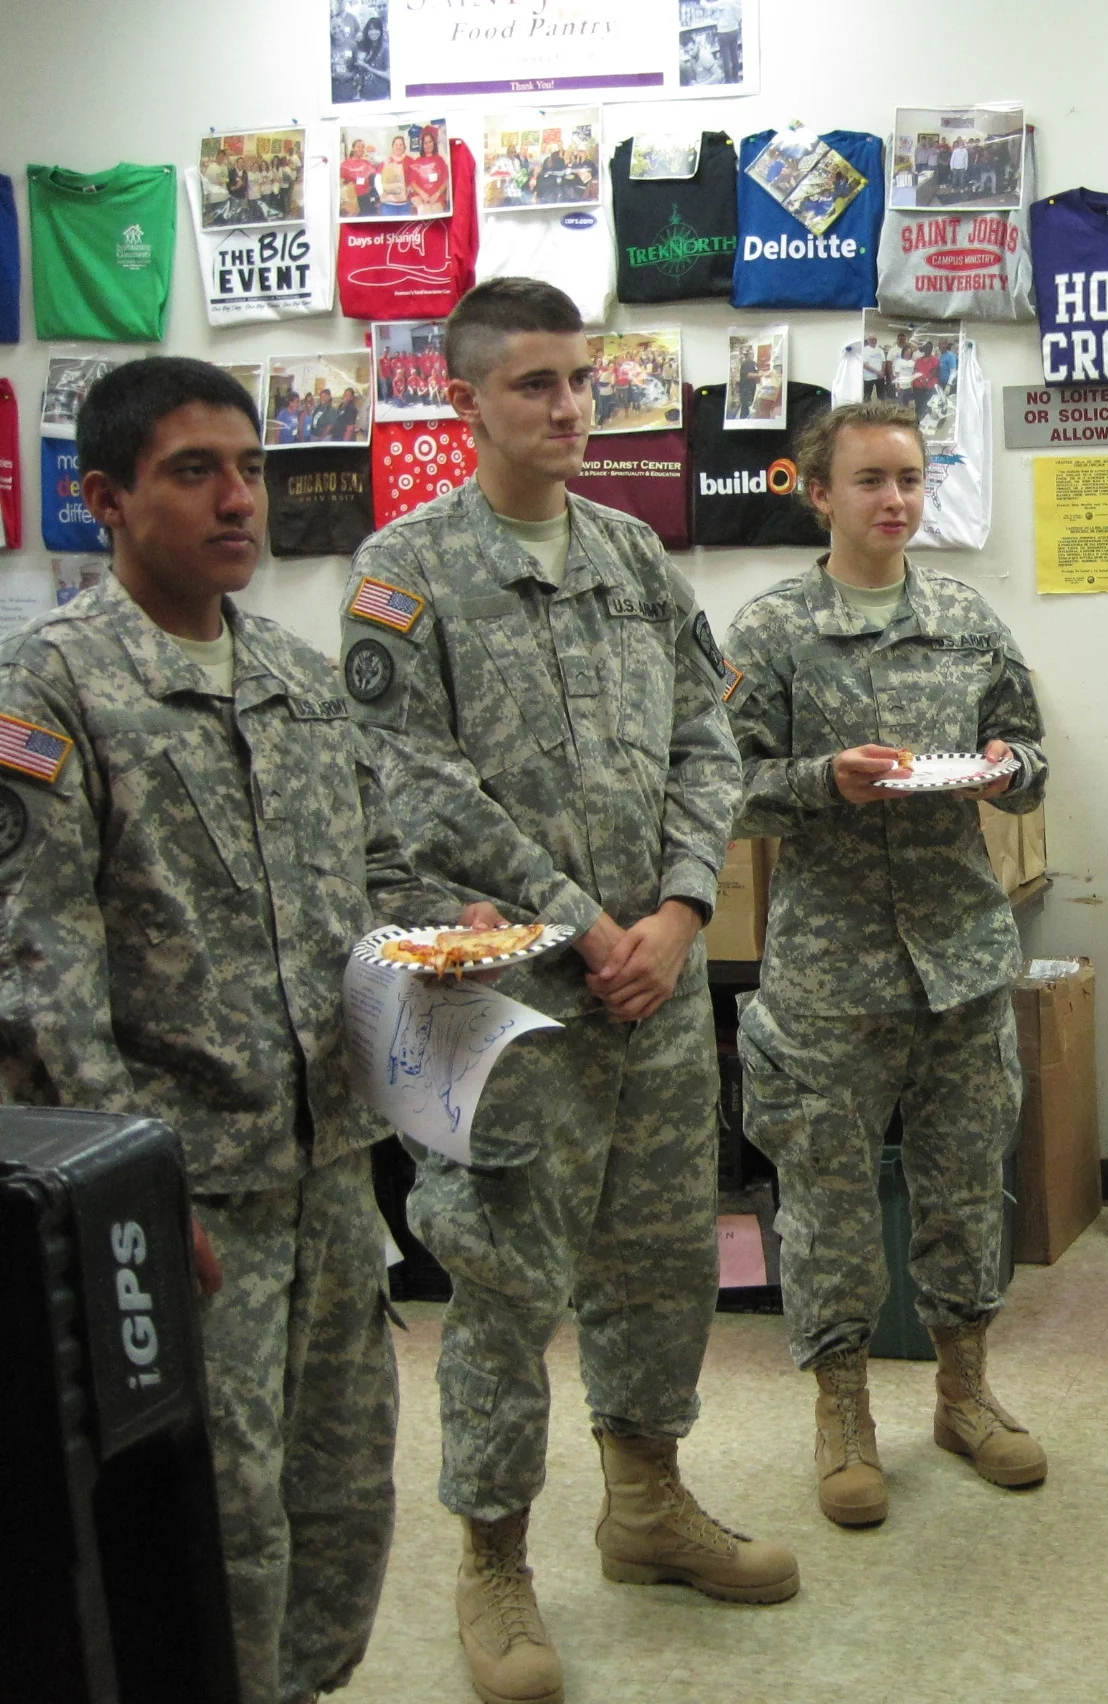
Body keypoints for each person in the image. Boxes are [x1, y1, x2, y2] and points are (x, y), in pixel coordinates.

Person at [339, 277, 795, 1704]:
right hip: (509, 1003)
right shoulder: (405, 570)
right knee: (501, 1280)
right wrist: (583, 919)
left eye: (581, 380)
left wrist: (676, 910)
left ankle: (647, 1501)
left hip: (651, 990)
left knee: (664, 1260)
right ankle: (493, 1561)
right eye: (532, 383)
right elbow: (413, 781)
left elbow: (704, 747)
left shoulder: (634, 556)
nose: (566, 406)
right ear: (464, 400)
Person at [0, 356, 473, 1704]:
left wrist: (444, 956)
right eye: (193, 472)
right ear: (104, 498)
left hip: (328, 1169)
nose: (237, 500)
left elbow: (369, 881)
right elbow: (41, 968)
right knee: (221, 1510)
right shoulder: (52, 689)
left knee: (341, 1491)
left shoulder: (296, 677)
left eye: (251, 468)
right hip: (183, 1188)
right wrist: (132, 1199)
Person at [724, 400, 1049, 1528]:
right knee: (828, 1206)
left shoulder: (966, 616)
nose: (894, 500)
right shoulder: (769, 631)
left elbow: (1029, 747)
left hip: (959, 952)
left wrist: (1009, 769)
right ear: (818, 493)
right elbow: (718, 785)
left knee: (966, 1188)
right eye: (868, 480)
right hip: (830, 968)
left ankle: (964, 1394)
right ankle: (844, 1414)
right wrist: (824, 780)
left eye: (910, 478)